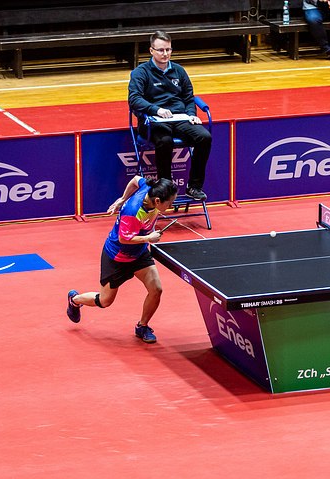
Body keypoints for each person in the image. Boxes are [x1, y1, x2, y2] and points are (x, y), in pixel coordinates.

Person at [65, 176, 177, 344]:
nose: (171, 206)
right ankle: (75, 300)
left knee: (156, 289)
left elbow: (135, 179)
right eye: (170, 203)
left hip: (138, 253)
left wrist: (122, 199)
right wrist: (148, 238)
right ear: (157, 201)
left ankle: (142, 326)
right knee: (105, 301)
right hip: (117, 256)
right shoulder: (133, 212)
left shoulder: (149, 187)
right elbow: (124, 239)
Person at [128, 31, 211, 201]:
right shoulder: (140, 72)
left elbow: (189, 97)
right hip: (153, 121)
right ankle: (165, 189)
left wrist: (191, 114)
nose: (165, 54)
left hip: (179, 118)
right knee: (165, 141)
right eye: (161, 50)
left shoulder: (179, 71)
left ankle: (194, 187)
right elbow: (134, 99)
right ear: (151, 50)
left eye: (168, 49)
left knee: (204, 137)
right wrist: (155, 109)